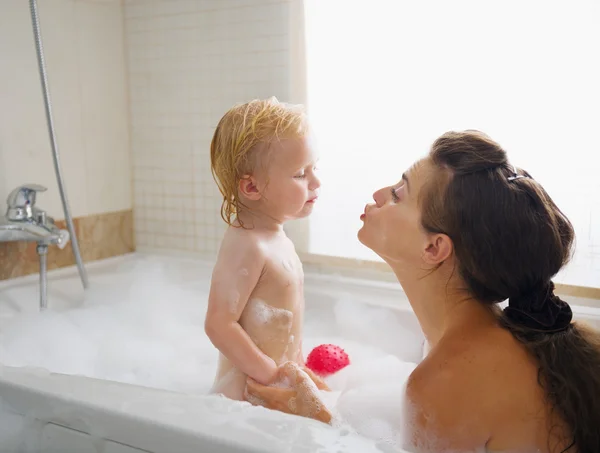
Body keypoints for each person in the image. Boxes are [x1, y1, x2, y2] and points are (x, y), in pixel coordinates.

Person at [245, 130, 600, 453]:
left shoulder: (444, 382)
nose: (379, 195)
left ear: (434, 248)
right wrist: (332, 412)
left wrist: (326, 421)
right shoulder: (501, 344)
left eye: (399, 194)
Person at [204, 97, 329, 413]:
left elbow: (284, 324)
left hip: (271, 393)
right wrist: (272, 377)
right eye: (301, 173)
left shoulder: (275, 235)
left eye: (315, 168)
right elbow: (219, 324)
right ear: (252, 187)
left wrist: (298, 370)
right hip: (245, 398)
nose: (316, 182)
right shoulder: (247, 244)